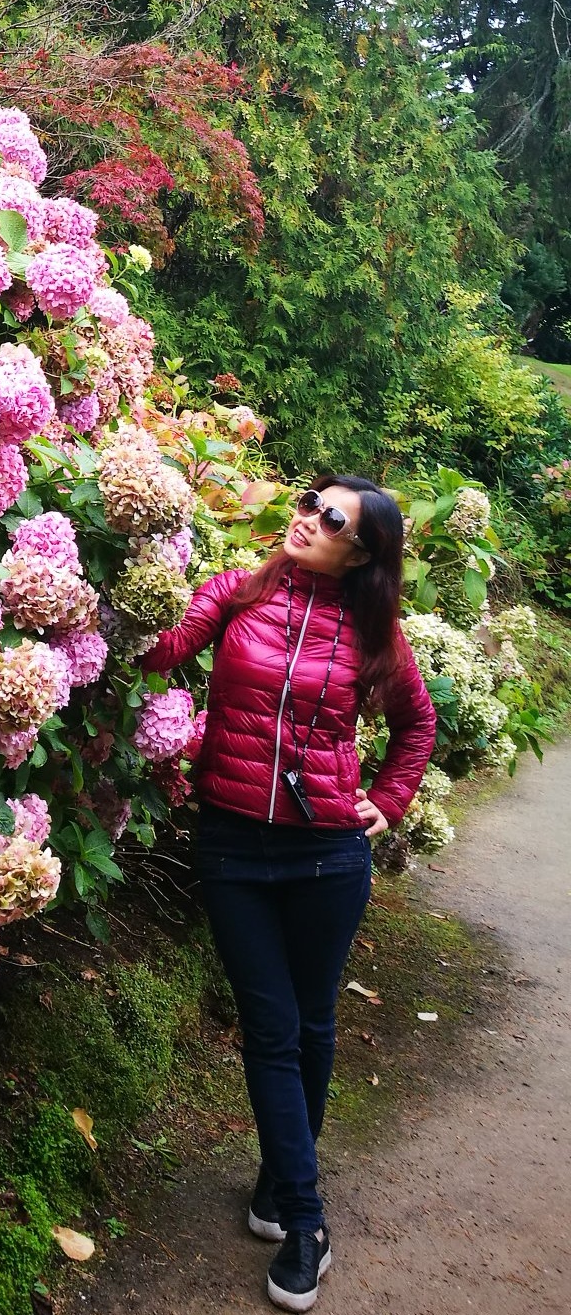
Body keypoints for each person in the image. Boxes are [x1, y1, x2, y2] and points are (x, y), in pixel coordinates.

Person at [142, 475, 437, 1313]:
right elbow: (162, 650)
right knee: (272, 1029)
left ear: (365, 549)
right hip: (234, 845)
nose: (307, 518)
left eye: (330, 515)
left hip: (327, 857)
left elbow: (417, 724)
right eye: (307, 502)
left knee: (311, 1025)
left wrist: (387, 799)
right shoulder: (237, 593)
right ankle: (308, 1221)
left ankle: (281, 1182)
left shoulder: (376, 631)